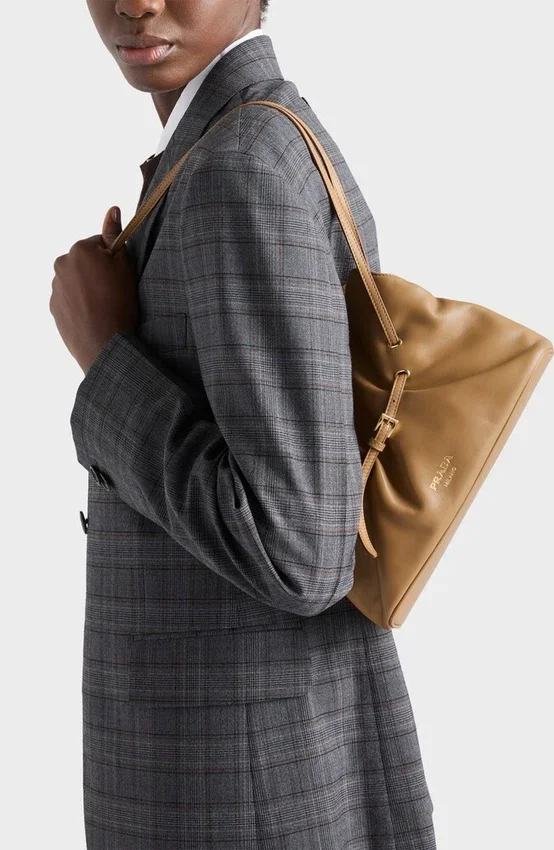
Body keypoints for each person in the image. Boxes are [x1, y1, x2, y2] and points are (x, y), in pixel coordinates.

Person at [50, 1, 437, 847]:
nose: (136, 3)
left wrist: (107, 358)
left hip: (235, 787)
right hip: (260, 755)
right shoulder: (235, 141)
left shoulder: (240, 166)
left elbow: (301, 549)